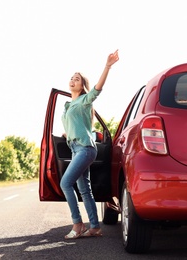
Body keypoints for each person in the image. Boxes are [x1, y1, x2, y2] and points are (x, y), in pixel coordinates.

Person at [60, 50, 119, 239]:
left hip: (85, 149)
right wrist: (67, 133)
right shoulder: (69, 105)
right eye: (71, 78)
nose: (73, 80)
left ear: (82, 85)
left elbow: (97, 89)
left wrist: (107, 66)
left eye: (77, 79)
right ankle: (94, 227)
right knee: (85, 189)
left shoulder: (85, 101)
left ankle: (77, 224)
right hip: (76, 148)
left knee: (65, 183)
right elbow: (75, 125)